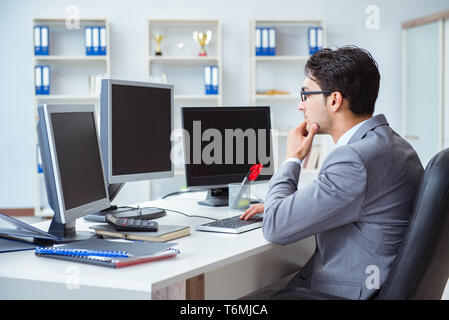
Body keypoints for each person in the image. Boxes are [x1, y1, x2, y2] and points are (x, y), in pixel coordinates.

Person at [241, 46, 424, 300]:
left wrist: (292, 159)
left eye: (305, 95)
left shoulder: (354, 160)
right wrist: (284, 204)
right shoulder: (393, 145)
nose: (300, 106)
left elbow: (275, 227)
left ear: (335, 100)